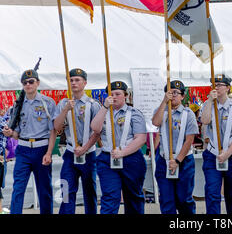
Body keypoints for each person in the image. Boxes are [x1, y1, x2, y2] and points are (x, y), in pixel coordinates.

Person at [2, 70, 57, 214]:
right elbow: (16, 134)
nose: (28, 84)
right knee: (18, 188)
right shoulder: (18, 105)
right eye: (25, 82)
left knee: (44, 189)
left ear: (38, 83)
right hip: (24, 150)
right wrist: (10, 133)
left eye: (31, 81)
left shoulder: (48, 102)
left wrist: (49, 153)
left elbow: (53, 131)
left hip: (42, 149)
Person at [91, 81, 147, 214]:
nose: (114, 97)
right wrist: (105, 107)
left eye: (117, 94)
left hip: (131, 158)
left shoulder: (134, 113)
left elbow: (140, 138)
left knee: (133, 196)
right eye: (111, 94)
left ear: (125, 96)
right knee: (110, 196)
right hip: (107, 158)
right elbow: (95, 128)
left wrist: (123, 152)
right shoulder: (103, 112)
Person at [53, 68, 101, 214]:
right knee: (67, 190)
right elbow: (56, 127)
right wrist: (65, 110)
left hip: (89, 154)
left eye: (77, 80)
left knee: (89, 191)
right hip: (70, 152)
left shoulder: (93, 104)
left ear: (84, 83)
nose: (74, 83)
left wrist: (85, 148)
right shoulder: (63, 103)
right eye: (71, 80)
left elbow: (98, 131)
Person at [200, 74, 232, 214]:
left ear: (227, 88)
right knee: (212, 192)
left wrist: (227, 153)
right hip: (212, 154)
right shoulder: (207, 105)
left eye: (220, 85)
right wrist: (210, 100)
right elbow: (204, 120)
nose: (216, 87)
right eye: (214, 85)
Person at [152, 80, 198, 214]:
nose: (173, 95)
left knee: (184, 199)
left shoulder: (188, 114)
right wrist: (164, 102)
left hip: (183, 161)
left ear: (183, 96)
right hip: (164, 159)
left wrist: (177, 160)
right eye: (170, 92)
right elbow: (156, 122)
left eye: (176, 93)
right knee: (167, 200)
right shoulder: (161, 110)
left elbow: (189, 140)